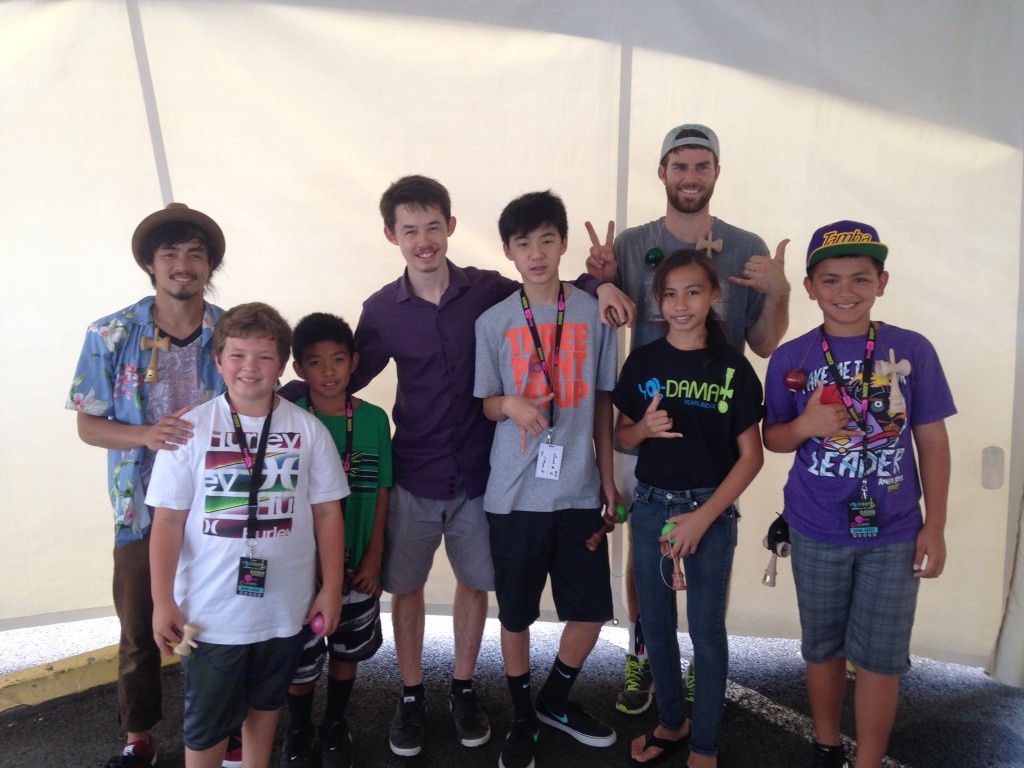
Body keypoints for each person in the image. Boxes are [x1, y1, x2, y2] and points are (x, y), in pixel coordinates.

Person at [324, 174, 633, 758]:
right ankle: (411, 694)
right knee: (406, 588)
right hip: (414, 471)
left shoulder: (487, 290)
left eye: (432, 226)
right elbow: (346, 375)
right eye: (409, 230)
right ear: (391, 236)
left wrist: (603, 281)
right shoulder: (382, 310)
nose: (423, 240)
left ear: (451, 226)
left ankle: (463, 688)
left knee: (476, 584)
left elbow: (551, 289)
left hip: (480, 475)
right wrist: (281, 394)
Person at [586, 123, 790, 715]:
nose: (691, 177)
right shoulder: (633, 245)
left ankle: (702, 664)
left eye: (702, 166)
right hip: (645, 422)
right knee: (643, 549)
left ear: (717, 173)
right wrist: (600, 281)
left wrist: (779, 292)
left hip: (711, 428)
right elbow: (603, 312)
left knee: (709, 547)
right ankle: (644, 653)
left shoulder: (745, 246)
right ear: (662, 173)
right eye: (680, 166)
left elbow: (764, 343)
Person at [762, 221, 954, 768]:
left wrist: (935, 525)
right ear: (810, 287)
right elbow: (772, 437)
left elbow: (933, 441)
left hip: (894, 530)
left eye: (860, 279)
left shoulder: (912, 349)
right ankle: (826, 744)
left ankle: (867, 760)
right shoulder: (791, 357)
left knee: (881, 658)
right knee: (822, 646)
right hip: (816, 525)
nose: (845, 292)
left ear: (882, 283)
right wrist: (806, 426)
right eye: (831, 280)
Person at [67, 202, 243, 768]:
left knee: (220, 625)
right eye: (170, 253)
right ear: (150, 263)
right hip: (140, 511)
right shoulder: (110, 332)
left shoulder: (232, 332)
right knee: (141, 627)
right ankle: (137, 737)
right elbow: (88, 425)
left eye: (195, 253)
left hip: (221, 505)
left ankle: (221, 730)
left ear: (210, 264)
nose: (183, 264)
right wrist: (145, 435)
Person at [146, 302, 348, 768]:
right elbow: (168, 521)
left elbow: (327, 513)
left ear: (282, 364)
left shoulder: (309, 430)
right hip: (210, 612)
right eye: (237, 355)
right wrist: (162, 600)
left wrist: (331, 588)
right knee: (207, 726)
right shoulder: (188, 431)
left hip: (283, 609)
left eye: (264, 356)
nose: (249, 367)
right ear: (218, 361)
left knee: (266, 708)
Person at [474, 190, 620, 768]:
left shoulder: (593, 311)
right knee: (515, 615)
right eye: (523, 243)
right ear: (508, 251)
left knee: (590, 608)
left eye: (547, 240)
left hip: (579, 489)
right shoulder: (493, 321)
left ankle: (554, 701)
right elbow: (486, 402)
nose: (536, 253)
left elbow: (603, 401)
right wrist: (509, 404)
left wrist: (608, 479)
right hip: (513, 496)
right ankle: (520, 718)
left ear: (563, 245)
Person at [612, 250, 764, 768]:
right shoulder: (644, 362)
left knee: (706, 633)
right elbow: (622, 437)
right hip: (651, 506)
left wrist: (704, 517)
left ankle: (705, 746)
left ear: (715, 295)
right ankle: (671, 723)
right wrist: (642, 429)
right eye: (670, 294)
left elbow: (752, 457)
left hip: (710, 511)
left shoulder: (733, 368)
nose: (681, 305)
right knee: (655, 627)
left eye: (693, 292)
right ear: (657, 301)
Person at [278, 313, 393, 768]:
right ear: (298, 369)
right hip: (302, 571)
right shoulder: (288, 419)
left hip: (358, 564)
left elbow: (382, 489)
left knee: (347, 648)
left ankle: (334, 724)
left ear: (354, 362)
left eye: (338, 359)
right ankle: (299, 729)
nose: (328, 371)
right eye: (315, 362)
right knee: (301, 659)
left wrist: (374, 555)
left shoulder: (374, 420)